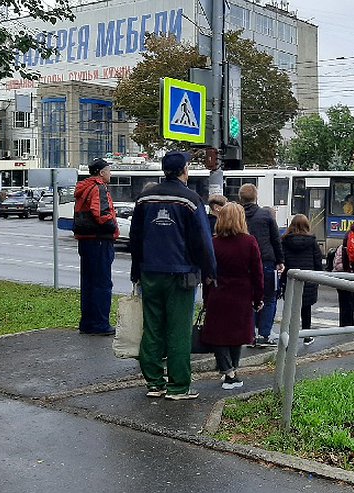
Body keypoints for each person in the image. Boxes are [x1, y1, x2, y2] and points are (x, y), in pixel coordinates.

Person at [129, 151, 217, 401]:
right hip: (181, 274)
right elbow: (202, 240)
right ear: (184, 170)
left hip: (149, 272)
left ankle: (154, 383)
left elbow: (135, 238)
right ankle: (178, 386)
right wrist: (210, 271)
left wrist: (137, 270)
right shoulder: (190, 200)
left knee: (153, 328)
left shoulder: (145, 198)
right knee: (178, 330)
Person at [201, 203, 264, 390]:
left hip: (218, 293)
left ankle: (229, 371)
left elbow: (207, 273)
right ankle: (231, 372)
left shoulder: (213, 243)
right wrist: (258, 297)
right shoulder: (250, 241)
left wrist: (206, 297)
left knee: (218, 335)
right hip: (242, 294)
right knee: (237, 334)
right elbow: (257, 273)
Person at [72, 157, 119, 336]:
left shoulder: (85, 187)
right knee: (102, 283)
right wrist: (113, 227)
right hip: (100, 240)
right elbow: (101, 213)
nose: (110, 173)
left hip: (86, 239)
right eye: (108, 170)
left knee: (88, 282)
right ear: (101, 172)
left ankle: (87, 322)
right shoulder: (99, 187)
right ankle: (100, 323)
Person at [239, 183, 285, 347]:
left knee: (248, 298)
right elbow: (275, 240)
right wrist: (280, 261)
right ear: (256, 196)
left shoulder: (238, 215)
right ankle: (264, 334)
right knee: (269, 297)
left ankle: (249, 334)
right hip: (266, 261)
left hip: (244, 263)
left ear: (240, 198)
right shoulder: (266, 216)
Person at [281, 214, 323, 346]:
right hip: (307, 280)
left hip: (291, 279)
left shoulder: (284, 241)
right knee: (306, 309)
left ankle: (288, 336)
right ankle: (307, 336)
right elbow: (318, 262)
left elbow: (282, 260)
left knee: (291, 310)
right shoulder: (312, 242)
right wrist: (317, 277)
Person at [326, 244, 354, 326]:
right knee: (352, 302)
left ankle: (344, 324)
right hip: (353, 275)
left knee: (344, 302)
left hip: (340, 276)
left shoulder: (342, 247)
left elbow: (337, 265)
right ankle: (353, 324)